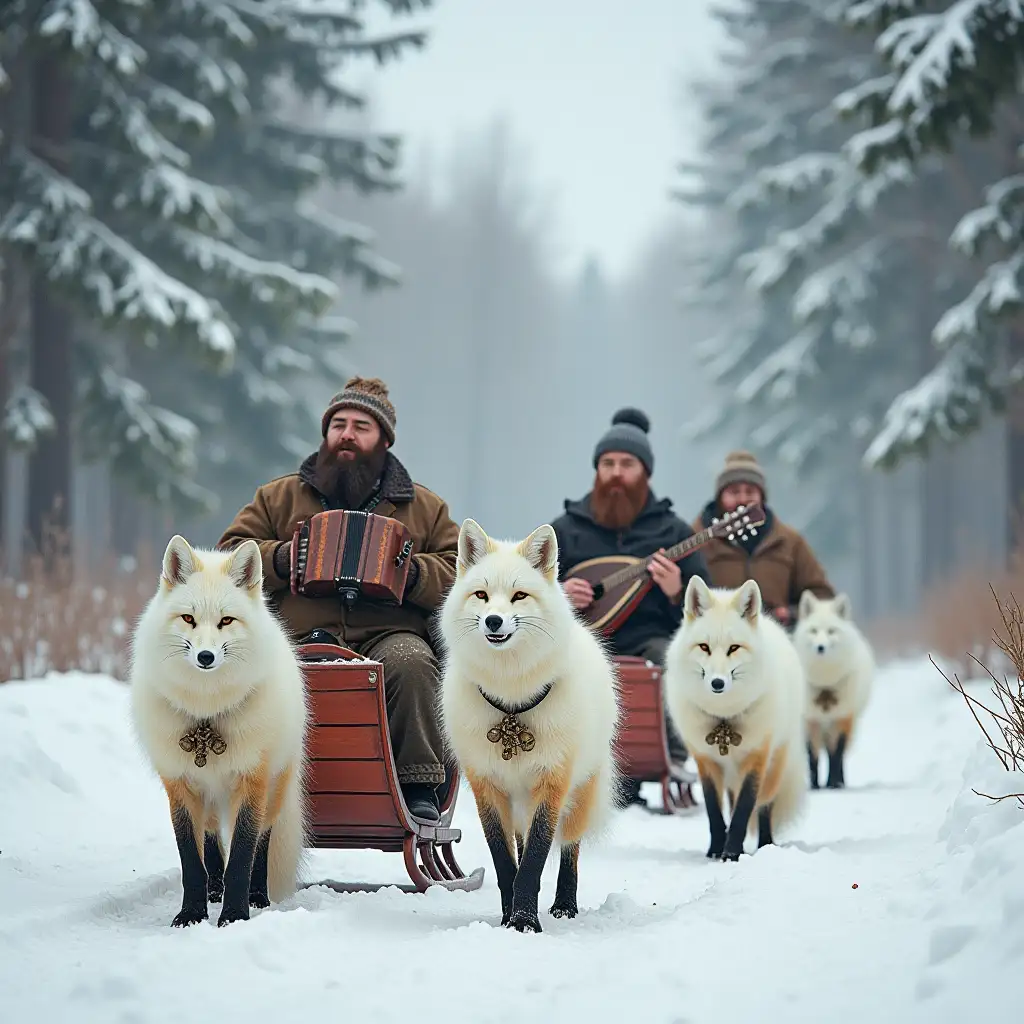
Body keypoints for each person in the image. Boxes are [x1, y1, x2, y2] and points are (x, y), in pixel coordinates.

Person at [217, 376, 458, 823]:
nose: (347, 434)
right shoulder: (278, 497)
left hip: (388, 633)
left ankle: (420, 784)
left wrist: (413, 573)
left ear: (384, 439)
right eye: (338, 424)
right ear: (326, 434)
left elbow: (464, 571)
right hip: (295, 635)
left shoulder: (425, 507)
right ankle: (248, 781)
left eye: (361, 426)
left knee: (411, 662)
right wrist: (283, 558)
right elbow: (229, 555)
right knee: (258, 671)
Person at [550, 408, 711, 807]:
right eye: (607, 464)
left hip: (648, 640)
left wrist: (677, 592)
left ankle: (668, 756)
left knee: (665, 658)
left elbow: (706, 615)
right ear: (596, 471)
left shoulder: (673, 532)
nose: (616, 473)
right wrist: (559, 595)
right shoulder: (565, 529)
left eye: (627, 464)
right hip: (582, 644)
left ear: (646, 473)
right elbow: (529, 590)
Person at [695, 450, 834, 626]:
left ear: (762, 497)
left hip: (777, 638)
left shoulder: (789, 542)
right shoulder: (696, 541)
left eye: (750, 491)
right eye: (734, 492)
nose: (743, 499)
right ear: (720, 497)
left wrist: (792, 614)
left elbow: (822, 595)